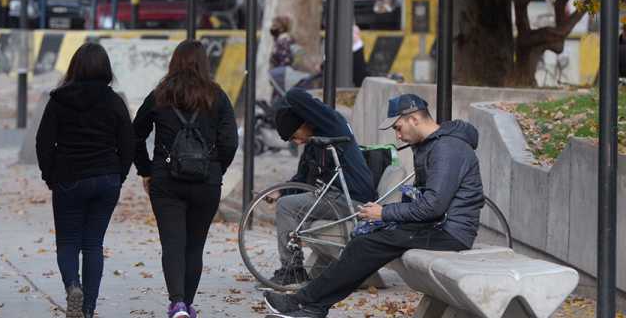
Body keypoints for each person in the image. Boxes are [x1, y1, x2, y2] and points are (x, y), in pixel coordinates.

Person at [264, 94, 483, 318]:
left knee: (366, 245)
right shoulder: (431, 145)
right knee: (363, 241)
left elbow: (433, 206)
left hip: (450, 233)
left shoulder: (447, 149)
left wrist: (384, 213)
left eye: (398, 128)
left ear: (414, 119)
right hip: (436, 226)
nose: (398, 136)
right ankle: (310, 304)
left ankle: (306, 303)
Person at [133, 40, 239, 318]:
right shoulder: (218, 96)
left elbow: (134, 134)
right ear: (205, 63)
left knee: (172, 244)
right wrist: (216, 169)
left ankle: (177, 303)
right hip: (207, 183)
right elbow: (230, 141)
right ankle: (187, 304)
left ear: (174, 62)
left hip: (166, 181)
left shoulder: (160, 95)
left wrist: (146, 170)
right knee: (195, 245)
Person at [35, 43, 134, 318]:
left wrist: (50, 175)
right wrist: (119, 174)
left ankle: (73, 286)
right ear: (106, 69)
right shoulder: (114, 101)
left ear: (74, 67)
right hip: (106, 178)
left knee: (68, 243)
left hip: (69, 178)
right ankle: (88, 309)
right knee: (93, 244)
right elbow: (128, 142)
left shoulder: (59, 100)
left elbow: (43, 141)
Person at [269, 87, 376, 287]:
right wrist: (281, 191)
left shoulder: (333, 126)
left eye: (295, 135)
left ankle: (293, 270)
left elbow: (297, 95)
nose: (297, 141)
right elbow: (302, 179)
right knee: (285, 202)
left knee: (285, 207)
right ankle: (293, 265)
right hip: (332, 198)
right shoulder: (314, 143)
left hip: (352, 198)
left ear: (304, 121)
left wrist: (286, 96)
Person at [269, 16, 296, 101]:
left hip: (282, 78)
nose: (272, 28)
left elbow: (286, 60)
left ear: (281, 28)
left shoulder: (283, 41)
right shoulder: (282, 40)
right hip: (280, 77)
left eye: (275, 26)